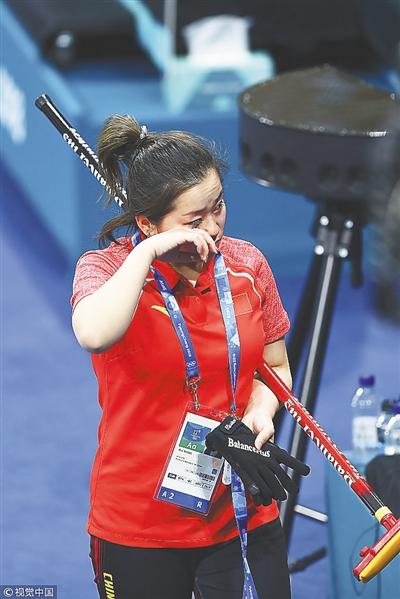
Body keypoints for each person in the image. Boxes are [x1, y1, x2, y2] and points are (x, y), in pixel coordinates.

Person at [71, 114, 309, 599]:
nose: (213, 228)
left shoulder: (247, 265)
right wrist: (147, 253)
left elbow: (275, 368)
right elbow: (93, 334)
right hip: (139, 522)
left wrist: (260, 411)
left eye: (218, 207)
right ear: (147, 224)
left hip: (239, 505)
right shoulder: (106, 269)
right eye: (194, 221)